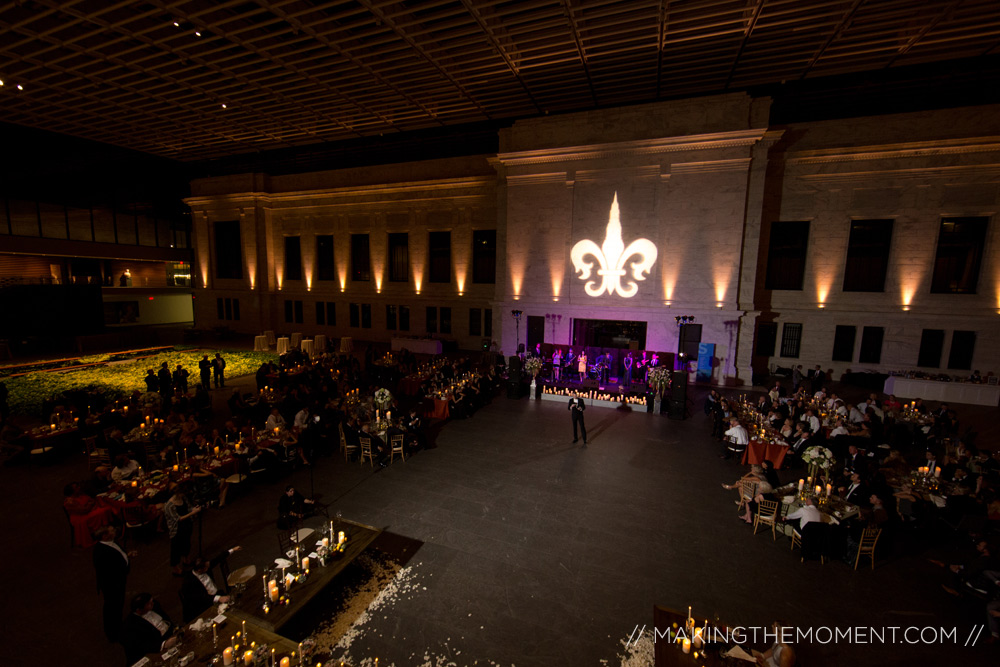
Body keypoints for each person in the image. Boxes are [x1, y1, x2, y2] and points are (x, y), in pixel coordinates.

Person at [179, 546, 241, 621]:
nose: (209, 568)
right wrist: (218, 598)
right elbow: (199, 598)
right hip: (205, 605)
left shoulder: (205, 568)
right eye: (206, 567)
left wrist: (232, 550)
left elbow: (217, 559)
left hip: (216, 595)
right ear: (199, 570)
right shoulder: (189, 582)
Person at [93, 525, 132, 642]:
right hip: (112, 585)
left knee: (118, 606)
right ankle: (113, 633)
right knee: (112, 608)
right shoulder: (100, 551)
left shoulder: (111, 542)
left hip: (118, 582)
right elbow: (107, 570)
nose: (114, 531)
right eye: (111, 531)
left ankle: (118, 627)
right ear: (104, 536)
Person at [120, 593, 177, 665]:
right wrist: (163, 644)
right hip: (156, 649)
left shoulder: (154, 605)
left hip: (172, 635)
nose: (153, 603)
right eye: (149, 604)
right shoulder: (130, 626)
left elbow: (167, 620)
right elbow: (141, 646)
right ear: (139, 610)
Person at [64, 483, 115, 548]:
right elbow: (83, 510)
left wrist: (90, 504)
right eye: (77, 487)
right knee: (102, 511)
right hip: (80, 517)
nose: (79, 487)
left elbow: (91, 501)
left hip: (88, 511)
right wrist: (90, 505)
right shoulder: (70, 502)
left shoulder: (81, 494)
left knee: (105, 508)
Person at [164, 486, 201, 575]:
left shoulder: (183, 498)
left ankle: (186, 560)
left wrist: (194, 509)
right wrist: (193, 513)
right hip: (177, 529)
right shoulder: (169, 505)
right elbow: (178, 519)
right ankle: (176, 568)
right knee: (176, 548)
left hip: (186, 525)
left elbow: (188, 507)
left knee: (186, 543)